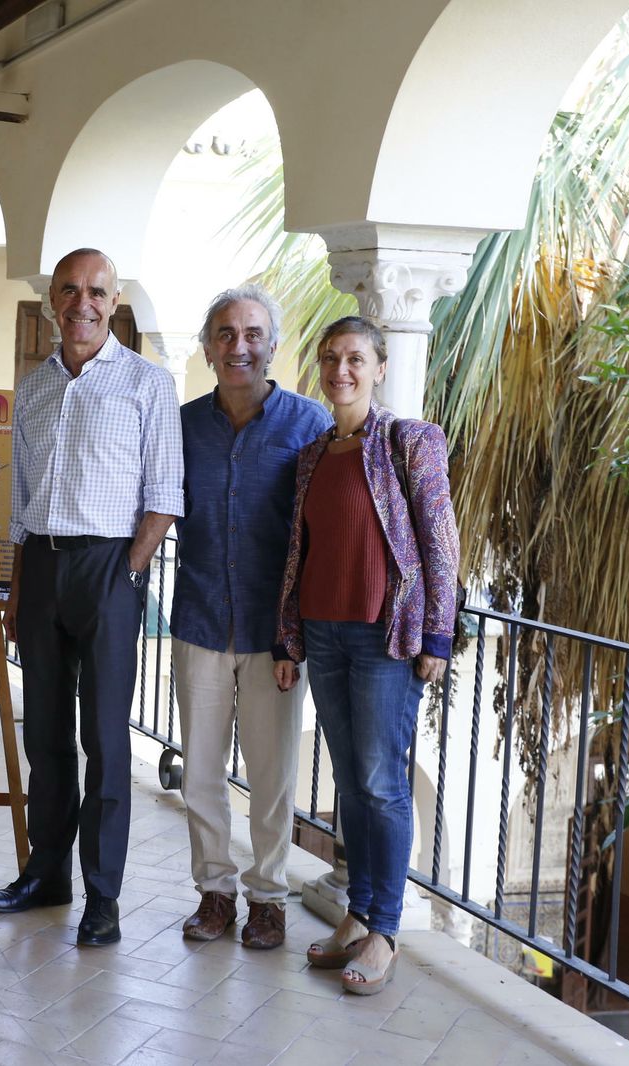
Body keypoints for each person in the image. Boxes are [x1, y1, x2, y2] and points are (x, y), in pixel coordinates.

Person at [0, 249, 183, 947]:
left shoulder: (148, 383)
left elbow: (164, 497)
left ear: (114, 300)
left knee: (105, 739)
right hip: (41, 565)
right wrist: (16, 589)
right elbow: (21, 502)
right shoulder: (32, 386)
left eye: (96, 291)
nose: (82, 303)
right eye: (69, 290)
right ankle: (46, 874)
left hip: (108, 569)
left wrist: (125, 573)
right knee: (46, 735)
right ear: (51, 302)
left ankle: (103, 896)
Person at [275, 315, 460, 994]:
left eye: (355, 358)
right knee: (351, 782)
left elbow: (440, 543)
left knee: (382, 783)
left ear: (379, 367)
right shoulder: (314, 455)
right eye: (330, 358)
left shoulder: (410, 442)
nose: (340, 370)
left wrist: (438, 636)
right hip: (324, 634)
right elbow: (302, 551)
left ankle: (384, 930)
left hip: (386, 638)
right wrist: (288, 635)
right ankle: (358, 915)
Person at [171, 285, 332, 950]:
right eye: (225, 334)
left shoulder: (310, 424)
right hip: (200, 617)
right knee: (201, 770)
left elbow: (325, 528)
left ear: (272, 344)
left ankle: (268, 898)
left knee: (272, 774)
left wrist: (305, 630)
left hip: (277, 635)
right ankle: (215, 893)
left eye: (253, 333)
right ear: (208, 348)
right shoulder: (180, 426)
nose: (240, 346)